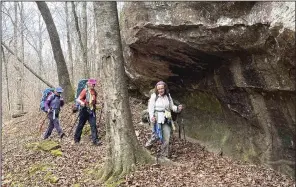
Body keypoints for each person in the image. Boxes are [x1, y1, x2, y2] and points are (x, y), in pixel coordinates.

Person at [145, 81, 183, 158]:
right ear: (157, 89)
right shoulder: (154, 96)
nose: (161, 90)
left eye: (162, 88)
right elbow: (150, 108)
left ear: (165, 88)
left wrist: (178, 108)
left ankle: (164, 155)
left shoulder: (168, 96)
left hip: (166, 118)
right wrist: (152, 116)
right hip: (156, 118)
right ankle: (147, 146)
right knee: (156, 135)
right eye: (159, 89)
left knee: (167, 136)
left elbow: (172, 107)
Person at [74, 78, 101, 146]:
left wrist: (97, 103)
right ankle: (76, 139)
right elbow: (78, 99)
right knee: (80, 125)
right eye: (92, 84)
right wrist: (82, 103)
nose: (93, 85)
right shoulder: (85, 91)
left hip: (92, 111)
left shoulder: (94, 92)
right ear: (89, 84)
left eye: (94, 84)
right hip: (84, 110)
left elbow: (94, 101)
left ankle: (95, 141)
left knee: (93, 125)